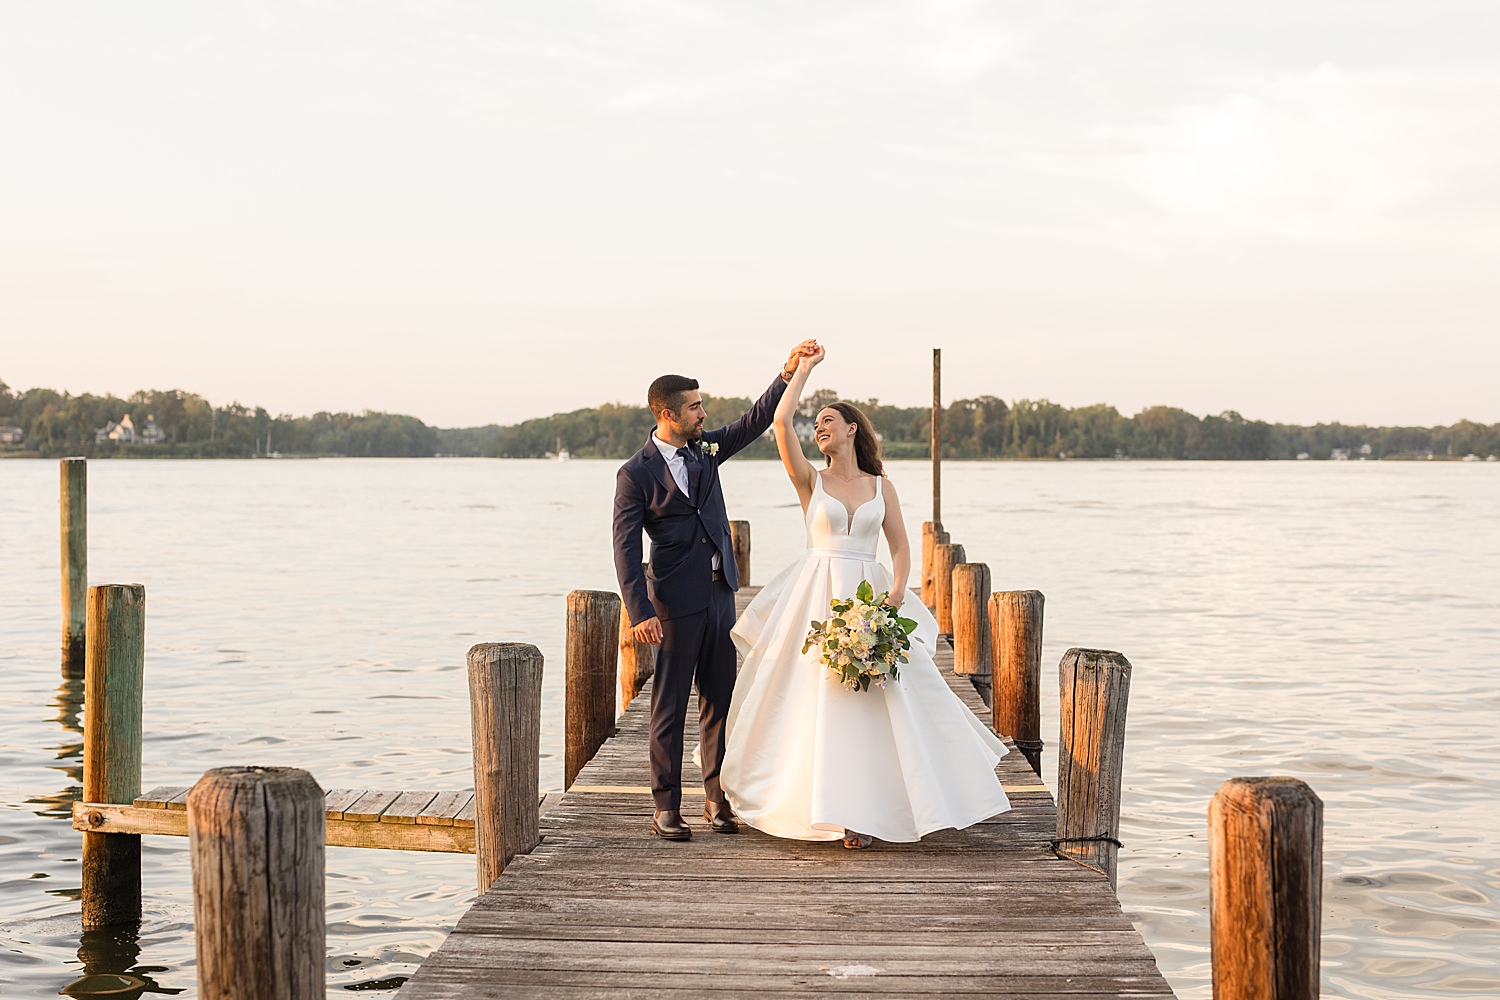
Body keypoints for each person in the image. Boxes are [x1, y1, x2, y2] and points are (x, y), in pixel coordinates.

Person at [720, 342, 1012, 848]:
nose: (821, 428)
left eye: (830, 420)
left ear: (853, 429)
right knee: (815, 700)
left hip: (871, 596)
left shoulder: (882, 487)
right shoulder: (811, 480)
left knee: (880, 701)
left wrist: (897, 593)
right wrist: (804, 371)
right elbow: (782, 423)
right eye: (819, 424)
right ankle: (821, 808)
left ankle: (875, 808)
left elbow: (900, 548)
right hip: (816, 598)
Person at [613, 340, 820, 840]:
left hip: (721, 594)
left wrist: (788, 371)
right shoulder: (634, 474)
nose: (704, 414)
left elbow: (754, 420)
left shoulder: (707, 450)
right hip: (673, 604)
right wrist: (640, 610)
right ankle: (666, 806)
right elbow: (623, 548)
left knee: (719, 700)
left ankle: (716, 798)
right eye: (695, 407)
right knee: (668, 704)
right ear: (668, 414)